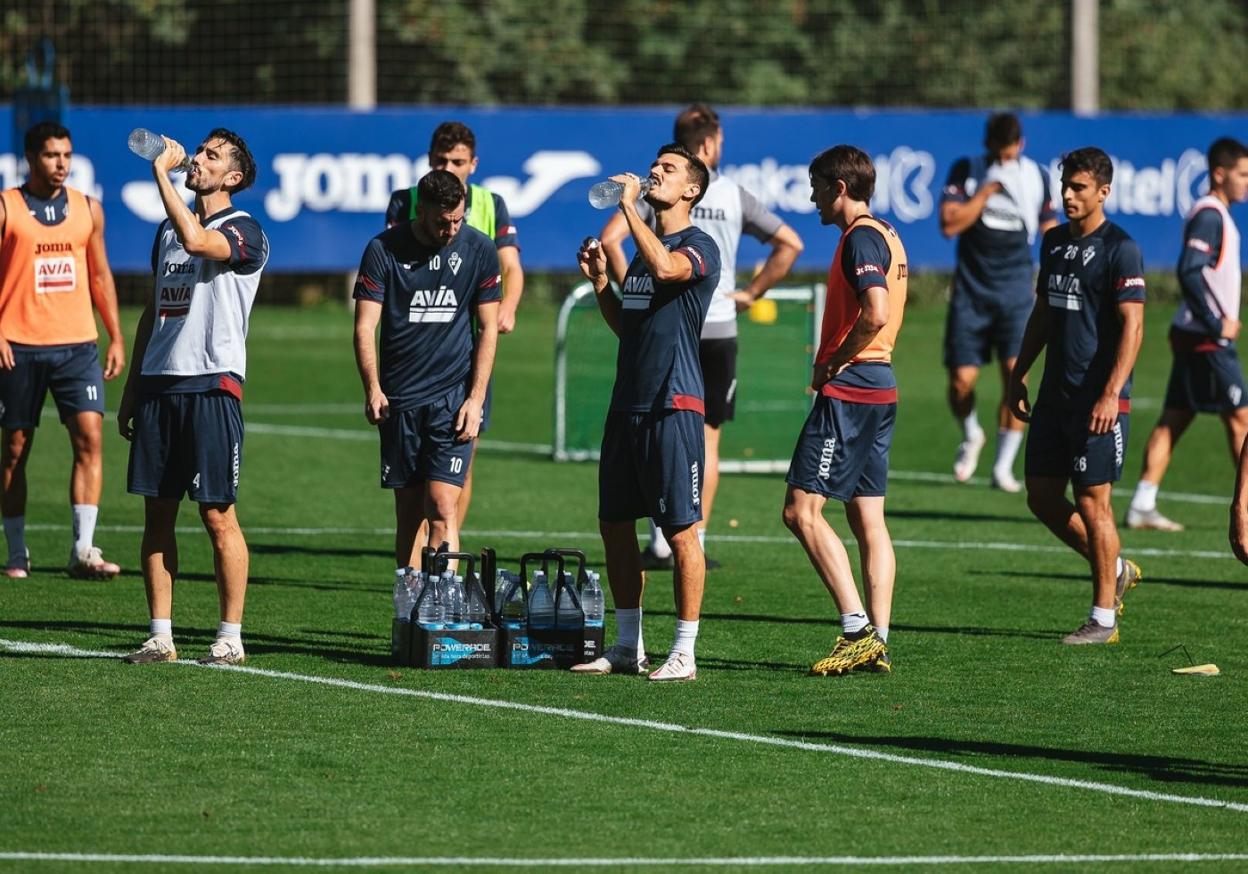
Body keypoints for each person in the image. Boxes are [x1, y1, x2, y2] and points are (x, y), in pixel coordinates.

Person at [600, 104, 803, 571]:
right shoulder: (729, 193)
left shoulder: (653, 200)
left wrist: (635, 290)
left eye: (666, 165)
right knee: (706, 441)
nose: (657, 172)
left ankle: (666, 541)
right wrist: (751, 292)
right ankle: (695, 536)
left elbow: (614, 240)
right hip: (718, 323)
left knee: (675, 430)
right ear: (710, 143)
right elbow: (791, 243)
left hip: (674, 320)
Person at [118, 129, 269, 665]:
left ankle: (230, 637)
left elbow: (200, 242)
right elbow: (152, 310)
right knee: (157, 515)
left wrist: (161, 173)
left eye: (212, 155)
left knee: (217, 515)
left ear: (233, 177)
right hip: (159, 386)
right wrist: (133, 388)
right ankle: (160, 636)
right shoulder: (166, 229)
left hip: (211, 385)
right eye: (200, 151)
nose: (198, 159)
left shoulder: (245, 230)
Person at [571, 144, 719, 682]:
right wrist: (600, 284)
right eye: (655, 166)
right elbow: (626, 327)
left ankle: (684, 651)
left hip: (672, 404)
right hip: (627, 404)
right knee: (614, 525)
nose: (656, 172)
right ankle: (627, 645)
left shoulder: (699, 246)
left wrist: (629, 208)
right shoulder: (640, 253)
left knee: (680, 532)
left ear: (691, 190)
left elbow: (666, 267)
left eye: (669, 169)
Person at [1008, 147, 1144, 646]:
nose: (1067, 194)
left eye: (1079, 187)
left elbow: (1133, 328)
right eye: (1065, 185)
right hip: (1055, 395)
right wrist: (1019, 372)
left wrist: (1111, 394)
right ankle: (1117, 568)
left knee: (1093, 503)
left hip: (1097, 402)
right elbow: (1044, 313)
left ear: (1103, 192)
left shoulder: (1120, 249)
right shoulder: (1053, 242)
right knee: (1042, 497)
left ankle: (1103, 618)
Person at [781, 145, 907, 676]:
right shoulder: (888, 233)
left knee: (801, 511)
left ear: (838, 187)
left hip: (853, 388)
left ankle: (857, 631)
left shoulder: (860, 238)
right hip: (882, 387)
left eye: (816, 188)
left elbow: (875, 312)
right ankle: (879, 641)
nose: (811, 198)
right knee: (866, 517)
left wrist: (832, 360)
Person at [0, 121, 126, 580]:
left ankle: (83, 549)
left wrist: (115, 335)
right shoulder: (6, 208)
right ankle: (17, 551)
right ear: (31, 158)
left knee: (90, 439)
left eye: (67, 155)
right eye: (53, 155)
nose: (62, 164)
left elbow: (100, 275)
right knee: (15, 449)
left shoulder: (89, 209)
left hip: (77, 345)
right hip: (19, 346)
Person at [357, 170, 500, 569]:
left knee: (442, 505)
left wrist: (476, 399)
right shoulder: (383, 249)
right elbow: (365, 326)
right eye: (442, 221)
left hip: (453, 399)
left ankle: (443, 599)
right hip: (400, 399)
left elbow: (489, 327)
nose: (451, 229)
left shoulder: (480, 249)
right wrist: (373, 387)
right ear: (421, 210)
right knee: (408, 513)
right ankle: (408, 599)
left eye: (458, 220)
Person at [385, 122, 522, 532]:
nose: (449, 168)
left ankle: (446, 544)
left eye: (458, 162)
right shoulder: (405, 202)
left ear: (473, 164)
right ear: (430, 160)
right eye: (442, 161)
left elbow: (512, 266)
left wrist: (508, 307)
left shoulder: (490, 203)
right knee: (412, 481)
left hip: (466, 349)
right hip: (415, 348)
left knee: (462, 456)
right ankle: (420, 550)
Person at [1126, 137, 1248, 531]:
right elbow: (1188, 270)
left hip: (1194, 335)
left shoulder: (1216, 214)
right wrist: (1216, 323)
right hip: (1206, 339)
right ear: (1219, 174)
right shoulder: (1210, 215)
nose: (1247, 182)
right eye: (1243, 174)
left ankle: (1142, 502)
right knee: (1242, 420)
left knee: (1174, 418)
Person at [940, 113, 1057, 492]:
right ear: (988, 145)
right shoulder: (968, 170)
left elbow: (1049, 229)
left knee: (1014, 376)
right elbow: (950, 225)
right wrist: (985, 193)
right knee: (961, 381)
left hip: (1016, 291)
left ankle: (1003, 467)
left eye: (1011, 153)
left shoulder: (1036, 176)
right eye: (999, 153)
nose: (1006, 160)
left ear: (1021, 145)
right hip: (972, 291)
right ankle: (971, 433)